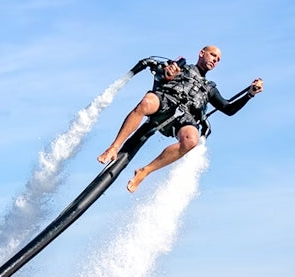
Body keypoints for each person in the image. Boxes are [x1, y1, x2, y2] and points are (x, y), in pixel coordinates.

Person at [98, 45, 263, 192]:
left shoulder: (210, 88)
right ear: (202, 53)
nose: (215, 60)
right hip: (165, 101)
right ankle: (114, 147)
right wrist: (167, 74)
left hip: (183, 117)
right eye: (213, 55)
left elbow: (228, 108)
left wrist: (250, 94)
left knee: (192, 140)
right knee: (147, 101)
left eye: (218, 60)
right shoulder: (182, 67)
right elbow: (161, 76)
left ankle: (145, 171)